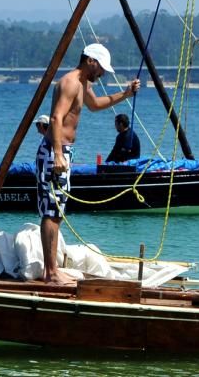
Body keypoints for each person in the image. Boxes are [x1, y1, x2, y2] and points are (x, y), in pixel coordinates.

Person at [37, 43, 141, 285]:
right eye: (101, 67)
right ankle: (50, 273)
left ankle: (52, 270)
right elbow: (56, 117)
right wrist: (58, 153)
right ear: (90, 61)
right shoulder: (71, 82)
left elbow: (95, 106)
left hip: (64, 151)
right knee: (51, 211)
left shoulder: (83, 84)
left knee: (58, 211)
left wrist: (125, 94)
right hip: (56, 151)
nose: (102, 73)